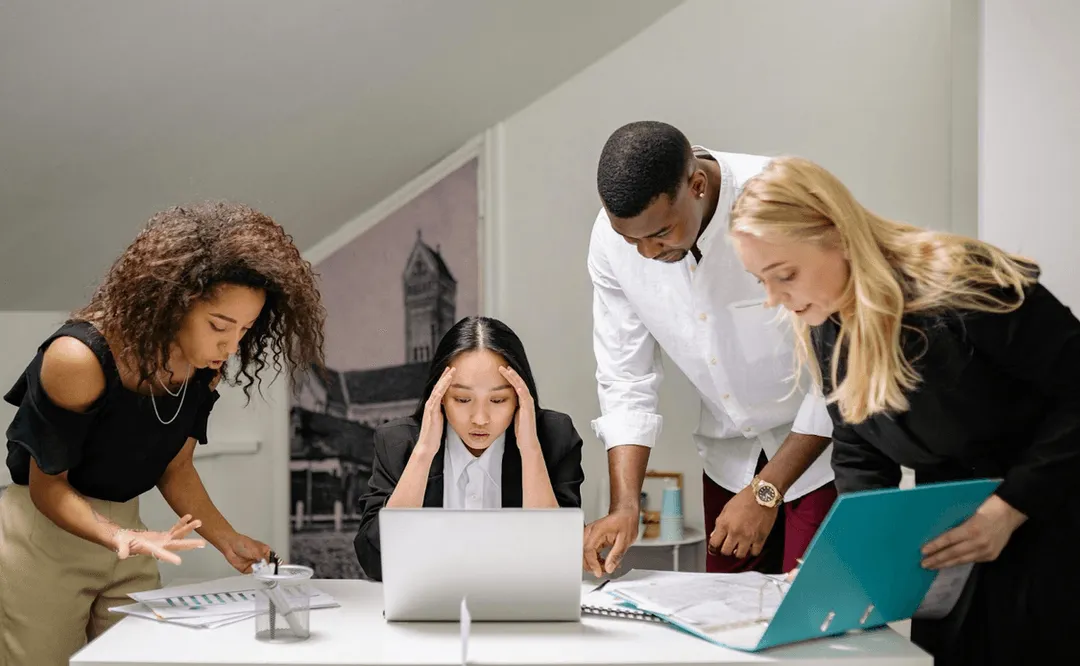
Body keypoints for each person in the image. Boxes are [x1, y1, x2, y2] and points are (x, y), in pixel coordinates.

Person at [728, 155, 1080, 664]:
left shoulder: (965, 284)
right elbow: (857, 446)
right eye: (760, 280)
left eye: (784, 274)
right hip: (957, 545)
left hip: (1053, 520)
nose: (773, 299)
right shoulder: (830, 324)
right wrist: (853, 552)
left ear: (838, 236)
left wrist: (1009, 509)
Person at [0, 202, 327, 666]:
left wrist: (226, 538)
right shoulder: (78, 358)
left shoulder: (203, 369)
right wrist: (119, 536)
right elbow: (45, 485)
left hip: (131, 533)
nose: (231, 346)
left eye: (246, 329)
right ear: (172, 302)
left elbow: (175, 467)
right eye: (219, 326)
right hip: (44, 533)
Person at [583, 121, 836, 578]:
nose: (645, 252)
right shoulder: (610, 240)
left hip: (820, 454)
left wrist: (767, 492)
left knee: (815, 625)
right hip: (727, 460)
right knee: (726, 626)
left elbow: (841, 366)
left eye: (660, 232)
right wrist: (625, 506)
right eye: (630, 239)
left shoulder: (780, 199)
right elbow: (625, 376)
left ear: (697, 185)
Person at [353, 315, 585, 581]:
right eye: (462, 399)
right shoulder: (397, 442)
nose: (480, 418)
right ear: (439, 396)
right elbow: (375, 562)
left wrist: (531, 451)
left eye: (498, 400)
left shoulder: (554, 437)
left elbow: (559, 561)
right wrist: (423, 453)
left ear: (520, 398)